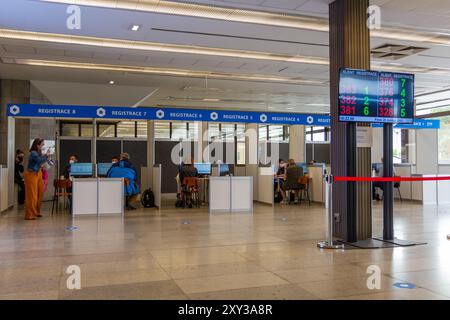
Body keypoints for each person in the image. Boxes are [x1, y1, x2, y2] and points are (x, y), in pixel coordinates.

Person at [24, 138, 50, 220]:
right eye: (42, 144)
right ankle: (30, 215)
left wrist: (47, 159)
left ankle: (36, 212)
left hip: (38, 173)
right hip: (31, 174)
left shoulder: (38, 152)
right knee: (32, 195)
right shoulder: (33, 153)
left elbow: (42, 162)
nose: (43, 146)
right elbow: (39, 161)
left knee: (40, 193)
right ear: (37, 145)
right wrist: (46, 156)